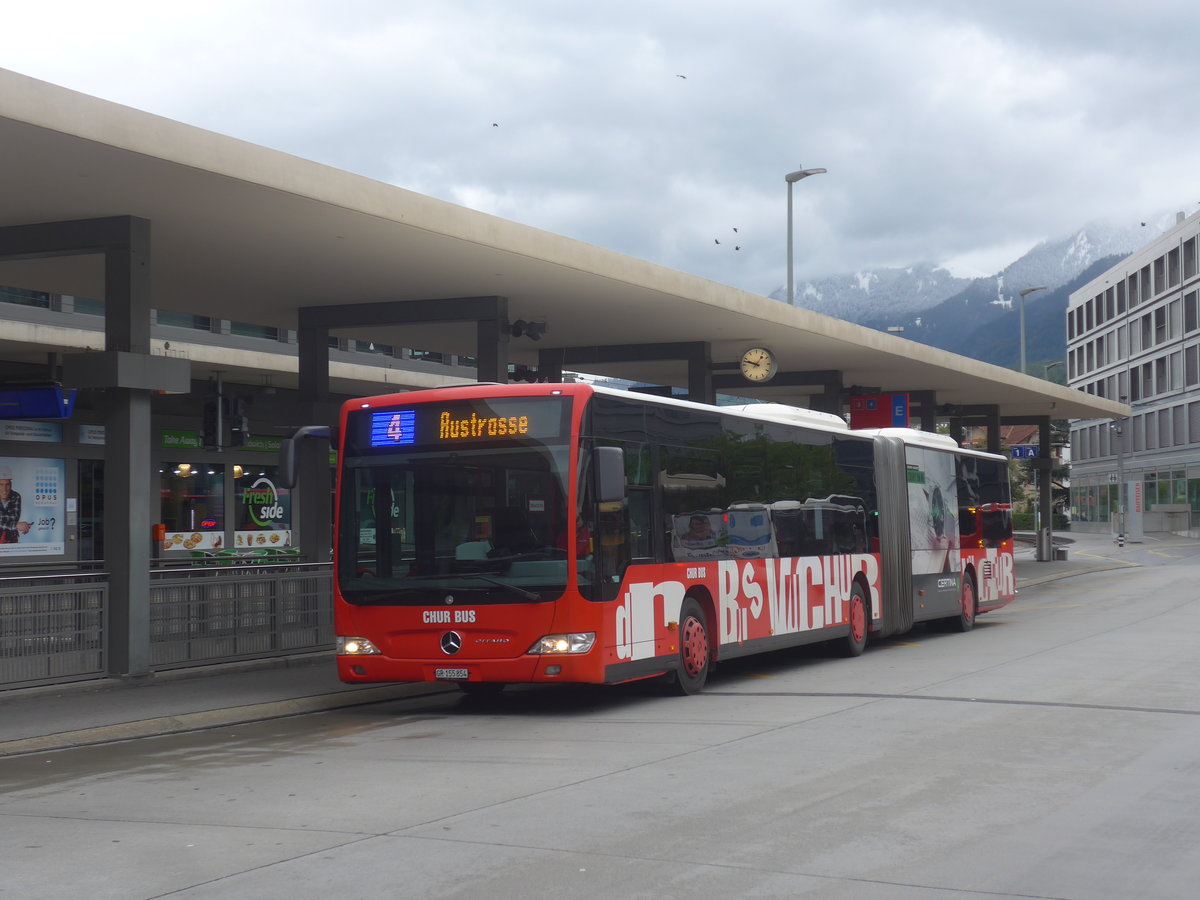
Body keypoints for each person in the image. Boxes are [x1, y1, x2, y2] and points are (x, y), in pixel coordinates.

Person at [0, 465, 32, 544]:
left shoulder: (16, 496)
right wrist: (16, 525)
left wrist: (22, 526)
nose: (4, 489)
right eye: (1, 485)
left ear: (11, 484)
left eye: (7, 484)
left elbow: (14, 519)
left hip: (10, 541)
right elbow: (14, 524)